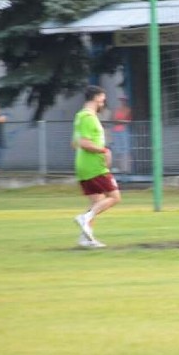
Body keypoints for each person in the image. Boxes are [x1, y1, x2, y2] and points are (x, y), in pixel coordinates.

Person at [72, 85, 121, 248]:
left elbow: (74, 143)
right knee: (115, 197)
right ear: (96, 97)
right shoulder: (88, 117)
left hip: (83, 166)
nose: (103, 102)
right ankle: (85, 218)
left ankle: (85, 239)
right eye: (102, 98)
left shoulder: (80, 116)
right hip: (94, 166)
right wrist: (104, 150)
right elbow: (84, 143)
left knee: (97, 201)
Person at [110, 95, 133, 173]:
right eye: (121, 100)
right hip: (116, 130)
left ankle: (126, 168)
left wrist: (119, 121)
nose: (122, 102)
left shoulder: (128, 110)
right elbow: (115, 120)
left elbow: (127, 120)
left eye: (124, 100)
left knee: (125, 149)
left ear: (126, 101)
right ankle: (119, 168)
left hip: (124, 130)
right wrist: (120, 121)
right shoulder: (117, 110)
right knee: (117, 149)